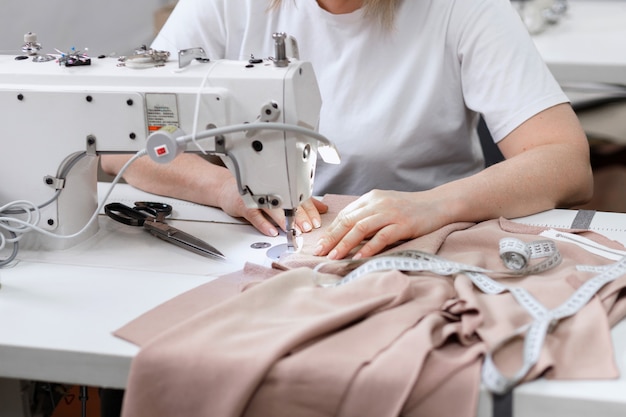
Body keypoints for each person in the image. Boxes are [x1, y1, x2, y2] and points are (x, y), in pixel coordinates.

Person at [101, 0, 593, 262]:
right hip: (266, 243)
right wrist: (227, 189)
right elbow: (119, 141)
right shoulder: (228, 5)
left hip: (425, 249)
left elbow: (564, 160)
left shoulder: (463, 8)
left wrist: (435, 204)